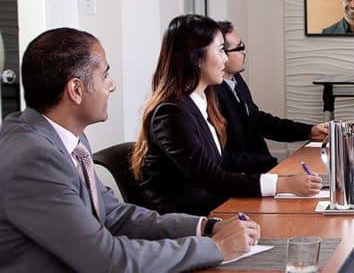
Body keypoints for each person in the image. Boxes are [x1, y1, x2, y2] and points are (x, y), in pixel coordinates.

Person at [0, 28, 260, 271]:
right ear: (76, 90)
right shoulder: (35, 160)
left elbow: (114, 215)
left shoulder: (63, 139)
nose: (111, 85)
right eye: (105, 75)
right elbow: (106, 260)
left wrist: (205, 226)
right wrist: (216, 248)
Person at [132, 15, 321, 216]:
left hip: (214, 205)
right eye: (221, 50)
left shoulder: (202, 100)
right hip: (190, 219)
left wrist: (282, 178)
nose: (225, 58)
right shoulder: (171, 113)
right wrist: (281, 184)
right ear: (196, 58)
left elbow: (222, 164)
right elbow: (210, 177)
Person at [214, 21, 329, 174]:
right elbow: (225, 157)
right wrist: (274, 168)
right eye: (239, 48)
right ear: (221, 54)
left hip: (260, 169)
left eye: (243, 45)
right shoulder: (212, 94)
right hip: (245, 176)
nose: (244, 52)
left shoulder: (236, 79)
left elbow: (258, 121)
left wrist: (309, 131)